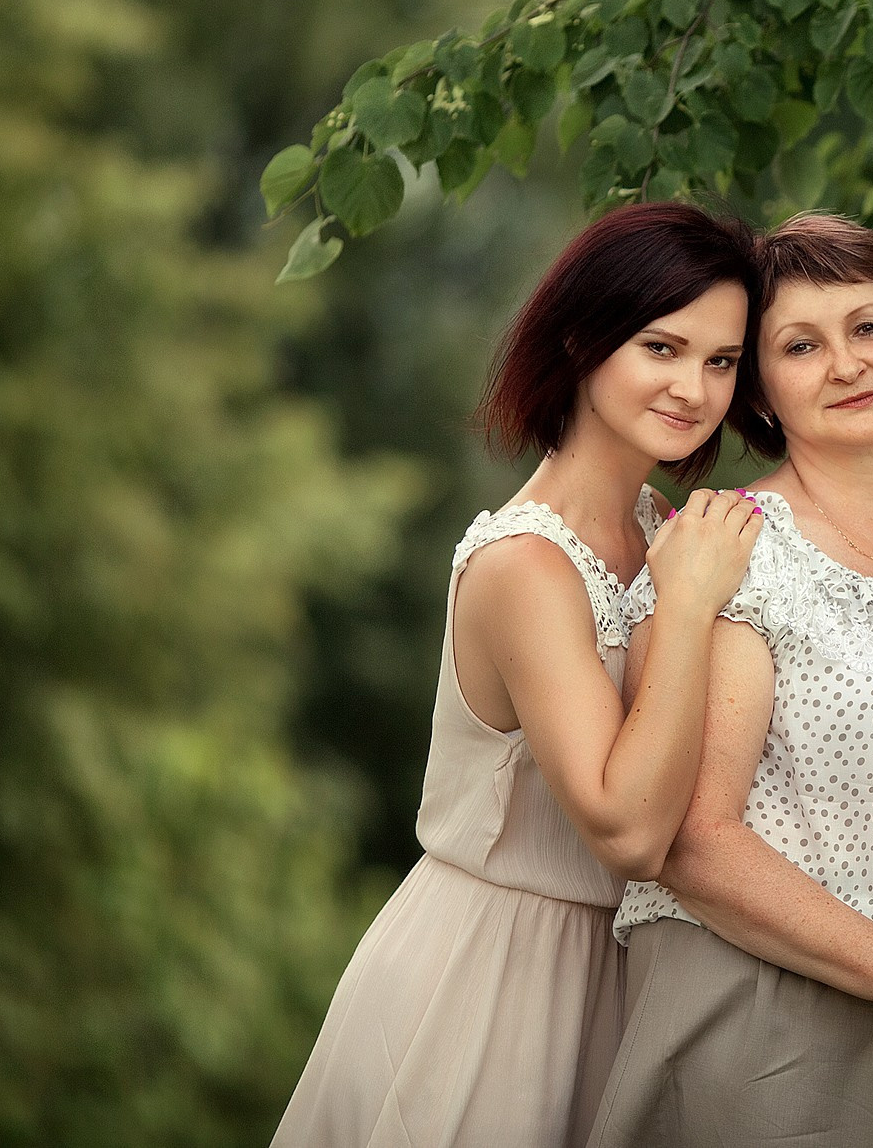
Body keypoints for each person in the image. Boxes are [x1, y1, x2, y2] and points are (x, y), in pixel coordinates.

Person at [272, 202, 766, 1148]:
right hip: (489, 978)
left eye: (721, 360)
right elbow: (624, 827)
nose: (694, 388)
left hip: (626, 979)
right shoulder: (525, 566)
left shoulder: (662, 531)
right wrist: (692, 606)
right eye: (662, 348)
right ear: (583, 338)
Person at [590, 213, 873, 1148]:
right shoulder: (727, 551)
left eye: (868, 327)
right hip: (769, 1014)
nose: (846, 363)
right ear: (764, 392)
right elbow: (692, 839)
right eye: (800, 345)